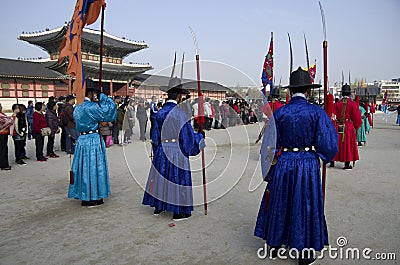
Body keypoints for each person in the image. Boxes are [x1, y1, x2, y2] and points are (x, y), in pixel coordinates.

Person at [254, 67, 338, 265]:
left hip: (284, 162)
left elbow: (269, 144)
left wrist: (270, 167)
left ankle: (274, 245)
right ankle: (304, 253)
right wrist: (323, 155)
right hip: (307, 163)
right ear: (308, 90)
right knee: (305, 204)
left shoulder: (280, 113)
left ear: (290, 91)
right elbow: (329, 144)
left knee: (280, 200)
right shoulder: (317, 112)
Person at [142, 78, 205, 221]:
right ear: (180, 96)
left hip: (162, 149)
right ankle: (179, 211)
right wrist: (200, 137)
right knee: (178, 179)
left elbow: (155, 135)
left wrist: (158, 148)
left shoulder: (159, 113)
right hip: (176, 150)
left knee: (162, 177)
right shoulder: (180, 114)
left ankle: (159, 206)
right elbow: (187, 138)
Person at [68, 87, 117, 207]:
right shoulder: (92, 107)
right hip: (93, 139)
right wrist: (103, 97)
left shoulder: (77, 107)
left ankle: (84, 195)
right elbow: (110, 112)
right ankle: (93, 196)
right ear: (91, 93)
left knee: (83, 167)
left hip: (81, 140)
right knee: (95, 167)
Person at [330, 84, 362, 170]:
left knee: (336, 143)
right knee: (347, 145)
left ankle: (332, 161)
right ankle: (347, 164)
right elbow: (357, 119)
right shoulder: (353, 104)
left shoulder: (337, 104)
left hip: (337, 125)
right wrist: (355, 127)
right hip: (348, 126)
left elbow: (333, 116)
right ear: (349, 94)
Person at [0, 103, 14, 170]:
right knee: (3, 149)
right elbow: (8, 122)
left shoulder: (2, 114)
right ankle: (4, 165)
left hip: (3, 133)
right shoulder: (1, 116)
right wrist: (10, 120)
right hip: (2, 133)